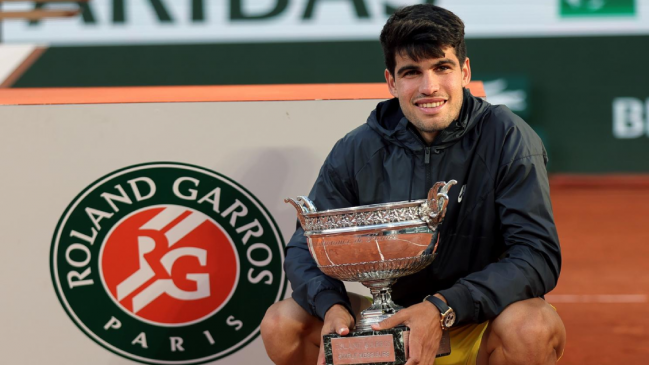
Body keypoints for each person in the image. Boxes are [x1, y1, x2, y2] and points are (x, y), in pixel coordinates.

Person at [261, 4, 566, 365]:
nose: (429, 87)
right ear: (391, 81)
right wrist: (331, 305)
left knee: (531, 327)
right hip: (388, 321)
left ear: (465, 71)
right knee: (283, 323)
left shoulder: (508, 136)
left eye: (442, 68)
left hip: (476, 322)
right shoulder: (357, 148)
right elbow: (304, 247)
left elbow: (537, 254)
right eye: (411, 72)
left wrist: (442, 307)